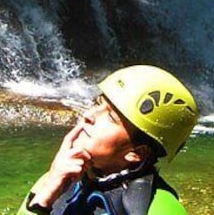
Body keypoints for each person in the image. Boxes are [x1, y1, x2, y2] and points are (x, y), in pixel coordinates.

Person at [17, 64, 199, 215]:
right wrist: (44, 198)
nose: (88, 115)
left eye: (111, 118)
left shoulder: (159, 208)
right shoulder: (55, 179)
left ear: (136, 153)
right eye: (97, 104)